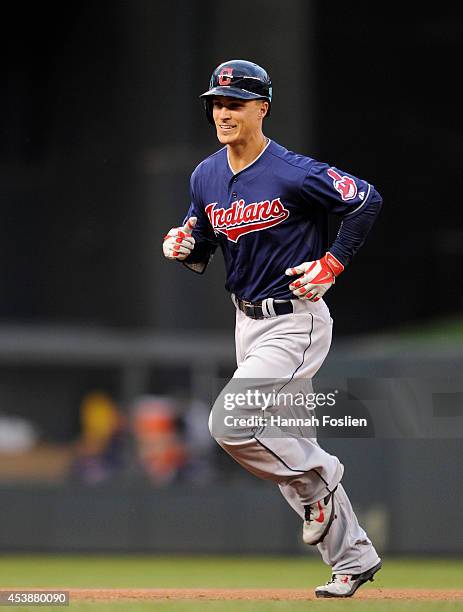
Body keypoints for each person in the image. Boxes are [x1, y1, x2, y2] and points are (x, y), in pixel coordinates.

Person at [162, 59, 383, 598]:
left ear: (261, 107)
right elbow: (206, 236)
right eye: (216, 102)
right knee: (290, 444)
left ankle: (324, 478)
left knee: (231, 423)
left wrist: (332, 262)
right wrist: (185, 244)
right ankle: (353, 560)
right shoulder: (207, 174)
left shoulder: (293, 171)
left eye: (234, 102)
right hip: (247, 320)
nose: (223, 111)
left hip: (294, 320)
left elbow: (365, 199)